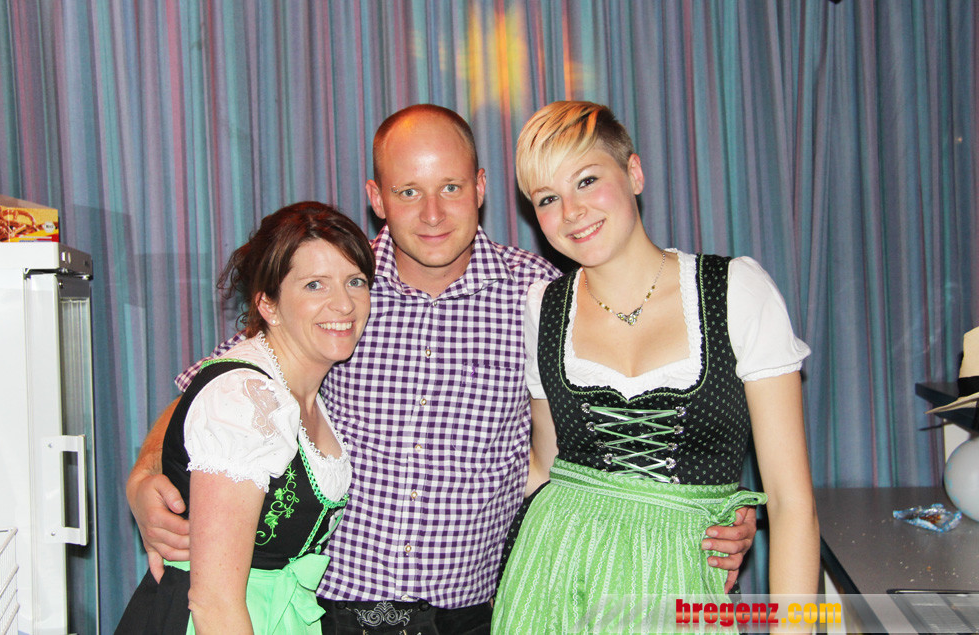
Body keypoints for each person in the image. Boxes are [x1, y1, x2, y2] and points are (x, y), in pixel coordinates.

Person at [126, 104, 758, 635]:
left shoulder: (542, 298)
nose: (432, 214)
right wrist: (146, 472)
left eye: (450, 188)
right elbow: (221, 388)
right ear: (377, 198)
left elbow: (608, 434)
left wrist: (709, 511)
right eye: (409, 192)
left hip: (473, 614)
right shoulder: (336, 291)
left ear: (480, 187)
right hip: (328, 611)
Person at [492, 101, 820, 633]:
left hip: (681, 586)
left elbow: (791, 503)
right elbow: (546, 467)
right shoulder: (542, 308)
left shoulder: (736, 291)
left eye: (587, 180)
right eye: (547, 197)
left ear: (634, 173)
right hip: (552, 581)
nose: (571, 211)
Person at [116, 202, 374, 633]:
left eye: (355, 281)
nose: (343, 304)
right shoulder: (244, 398)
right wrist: (142, 474)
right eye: (315, 285)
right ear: (268, 304)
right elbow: (214, 602)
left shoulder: (295, 387)